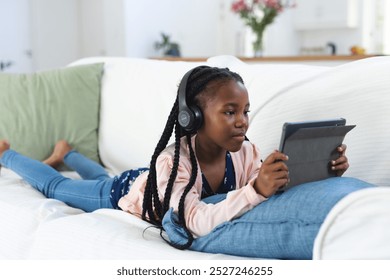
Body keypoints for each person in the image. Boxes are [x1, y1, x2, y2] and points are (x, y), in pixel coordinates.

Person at [0, 65, 374, 259]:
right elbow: (193, 219)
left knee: (96, 172)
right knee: (59, 187)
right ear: (192, 117)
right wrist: (255, 192)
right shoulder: (173, 160)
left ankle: (67, 153)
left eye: (245, 110)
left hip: (142, 181)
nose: (242, 120)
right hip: (124, 192)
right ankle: (7, 153)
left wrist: (322, 167)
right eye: (229, 111)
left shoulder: (244, 151)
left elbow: (262, 187)